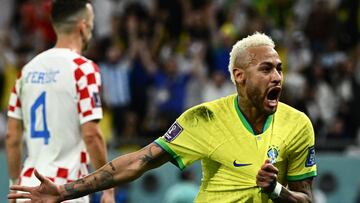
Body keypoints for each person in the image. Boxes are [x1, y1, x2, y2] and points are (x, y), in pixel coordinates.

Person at [8, 32, 317, 202]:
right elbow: (139, 161)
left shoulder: (298, 125)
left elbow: (306, 200)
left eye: (279, 68)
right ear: (239, 76)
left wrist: (275, 190)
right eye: (266, 69)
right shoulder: (206, 118)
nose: (277, 76)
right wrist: (63, 191)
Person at [5, 0, 114, 202]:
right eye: (91, 23)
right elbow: (91, 135)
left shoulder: (27, 71)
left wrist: (14, 185)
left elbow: (12, 137)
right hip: (66, 189)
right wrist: (107, 189)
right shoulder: (84, 69)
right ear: (83, 26)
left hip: (29, 189)